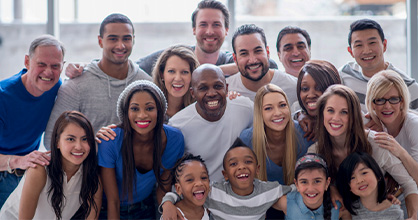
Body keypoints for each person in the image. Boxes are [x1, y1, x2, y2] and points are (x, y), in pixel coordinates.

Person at [308, 84, 418, 219]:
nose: (336, 118)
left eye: (344, 112)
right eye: (330, 110)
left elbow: (408, 183)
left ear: (354, 116)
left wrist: (413, 216)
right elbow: (306, 186)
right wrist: (330, 187)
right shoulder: (315, 152)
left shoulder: (375, 142)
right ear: (322, 113)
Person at [44, 13, 151, 150]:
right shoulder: (76, 85)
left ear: (133, 41)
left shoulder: (146, 84)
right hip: (87, 168)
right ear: (100, 41)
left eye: (126, 39)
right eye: (113, 39)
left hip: (132, 168)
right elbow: (51, 140)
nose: (121, 45)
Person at [98, 80, 184, 219]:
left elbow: (163, 189)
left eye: (149, 108)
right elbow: (113, 202)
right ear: (126, 112)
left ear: (159, 110)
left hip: (144, 207)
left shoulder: (174, 140)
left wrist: (167, 208)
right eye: (135, 109)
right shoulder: (111, 141)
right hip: (107, 209)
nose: (142, 115)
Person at [0, 35, 64, 208]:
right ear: (27, 62)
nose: (48, 72)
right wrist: (18, 161)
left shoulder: (57, 87)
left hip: (26, 172)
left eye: (55, 66)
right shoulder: (3, 96)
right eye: (41, 64)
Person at [0, 111, 102, 219]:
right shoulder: (39, 170)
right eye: (70, 139)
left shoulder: (93, 180)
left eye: (85, 139)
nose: (78, 146)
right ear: (57, 142)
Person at [161, 138, 293, 220]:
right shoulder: (214, 192)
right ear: (225, 175)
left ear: (257, 169)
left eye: (248, 162)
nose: (241, 167)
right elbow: (183, 194)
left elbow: (295, 189)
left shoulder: (268, 190)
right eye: (233, 164)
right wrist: (167, 204)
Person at [168, 64, 253, 182]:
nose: (212, 93)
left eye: (218, 86)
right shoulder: (178, 125)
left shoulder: (244, 107)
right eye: (203, 88)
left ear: (226, 88)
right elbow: (169, 175)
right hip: (201, 196)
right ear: (193, 93)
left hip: (239, 192)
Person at [239, 83, 312, 219]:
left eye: (282, 105)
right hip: (263, 206)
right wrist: (278, 201)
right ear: (260, 113)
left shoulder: (304, 134)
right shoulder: (247, 140)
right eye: (268, 108)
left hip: (300, 203)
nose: (277, 113)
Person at [339, 18, 418, 112]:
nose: (367, 51)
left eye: (372, 43)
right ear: (351, 51)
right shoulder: (343, 74)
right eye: (359, 45)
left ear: (384, 45)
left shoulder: (407, 85)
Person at [365, 70, 418, 182]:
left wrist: (399, 151)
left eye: (394, 99)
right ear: (372, 103)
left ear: (402, 101)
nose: (387, 106)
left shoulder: (414, 125)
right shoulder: (371, 124)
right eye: (380, 100)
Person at [226, 24, 298, 104]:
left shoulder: (294, 87)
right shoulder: (224, 90)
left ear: (267, 52)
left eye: (258, 51)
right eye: (244, 53)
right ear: (235, 59)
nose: (252, 60)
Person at [336, 152, 404, 219]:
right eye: (352, 178)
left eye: (364, 173)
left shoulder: (395, 213)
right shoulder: (348, 210)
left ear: (377, 175)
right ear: (348, 186)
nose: (359, 180)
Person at [295, 60, 341, 141]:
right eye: (305, 89)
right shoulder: (298, 122)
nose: (311, 95)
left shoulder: (356, 118)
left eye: (319, 88)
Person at [153, 45, 200, 123]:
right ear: (162, 74)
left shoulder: (199, 110)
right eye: (171, 71)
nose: (178, 78)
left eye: (185, 72)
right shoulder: (150, 107)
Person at [169, 154, 210, 220]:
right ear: (178, 188)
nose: (199, 183)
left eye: (203, 178)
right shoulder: (173, 215)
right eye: (190, 180)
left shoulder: (211, 210)